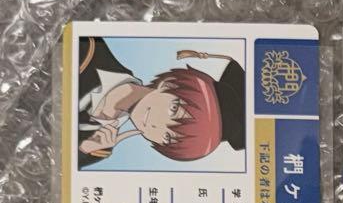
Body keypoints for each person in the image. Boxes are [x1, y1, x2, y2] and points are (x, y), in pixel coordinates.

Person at [77, 37, 244, 168]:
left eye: (167, 137)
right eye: (174, 109)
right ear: (168, 84)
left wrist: (85, 148)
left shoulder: (96, 148)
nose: (155, 125)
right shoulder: (88, 48)